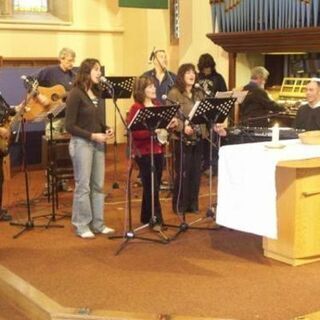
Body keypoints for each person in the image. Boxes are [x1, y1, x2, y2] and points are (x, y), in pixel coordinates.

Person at [65, 58, 115, 239]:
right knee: (83, 186)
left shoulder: (97, 92)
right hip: (82, 144)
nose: (99, 73)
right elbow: (69, 125)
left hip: (97, 143)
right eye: (96, 70)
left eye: (100, 69)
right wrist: (92, 136)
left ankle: (98, 224)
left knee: (98, 186)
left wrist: (105, 128)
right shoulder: (75, 93)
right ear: (86, 72)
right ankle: (81, 224)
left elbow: (96, 120)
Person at [168, 63, 225, 214]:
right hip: (182, 139)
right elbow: (170, 117)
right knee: (183, 173)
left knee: (195, 173)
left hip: (199, 137)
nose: (192, 75)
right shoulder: (174, 93)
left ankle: (192, 204)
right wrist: (182, 127)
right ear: (181, 76)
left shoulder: (199, 93)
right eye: (188, 73)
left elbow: (206, 113)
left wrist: (214, 125)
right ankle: (180, 205)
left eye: (193, 72)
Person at [127, 76, 177, 230]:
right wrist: (153, 132)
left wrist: (171, 125)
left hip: (158, 150)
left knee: (153, 184)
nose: (154, 89)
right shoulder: (136, 108)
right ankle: (156, 219)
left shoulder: (158, 105)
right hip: (144, 152)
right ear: (141, 90)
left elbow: (164, 128)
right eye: (149, 87)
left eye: (154, 86)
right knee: (151, 186)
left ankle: (146, 216)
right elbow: (135, 133)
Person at [36, 47, 76, 194]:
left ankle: (63, 182)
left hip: (69, 118)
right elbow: (29, 82)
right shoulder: (48, 71)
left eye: (73, 61)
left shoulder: (74, 76)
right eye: (69, 60)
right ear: (61, 58)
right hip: (53, 117)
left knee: (65, 151)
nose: (72, 63)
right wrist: (40, 96)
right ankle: (50, 183)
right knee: (51, 151)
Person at [197, 53, 227, 175]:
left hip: (214, 115)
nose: (207, 70)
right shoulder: (197, 77)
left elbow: (224, 94)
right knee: (202, 141)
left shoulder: (218, 78)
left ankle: (212, 166)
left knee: (213, 141)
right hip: (200, 114)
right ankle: (202, 165)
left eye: (209, 67)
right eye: (204, 68)